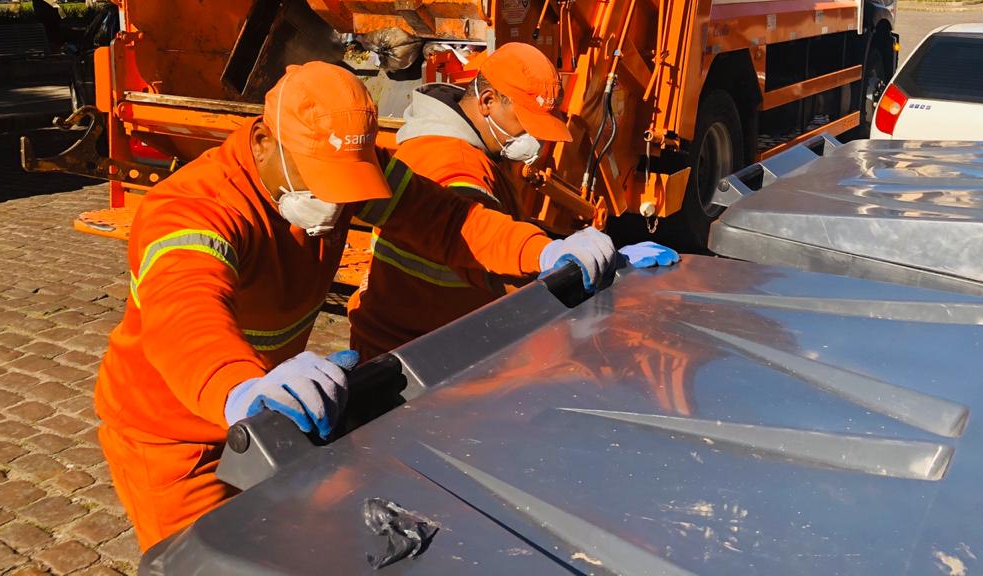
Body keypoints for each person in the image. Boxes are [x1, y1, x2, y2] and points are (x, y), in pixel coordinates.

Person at [94, 61, 618, 550]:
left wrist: (543, 250)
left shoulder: (351, 177)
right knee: (209, 555)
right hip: (176, 434)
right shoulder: (192, 209)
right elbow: (184, 312)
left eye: (346, 186)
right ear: (261, 142)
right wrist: (239, 390)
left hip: (268, 419)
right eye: (320, 180)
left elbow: (447, 222)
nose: (336, 202)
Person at [347, 43, 680, 360]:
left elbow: (493, 226)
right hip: (410, 358)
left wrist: (557, 246)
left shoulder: (460, 147)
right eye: (526, 124)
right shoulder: (455, 165)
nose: (534, 140)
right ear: (488, 101)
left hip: (417, 343)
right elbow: (482, 247)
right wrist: (597, 273)